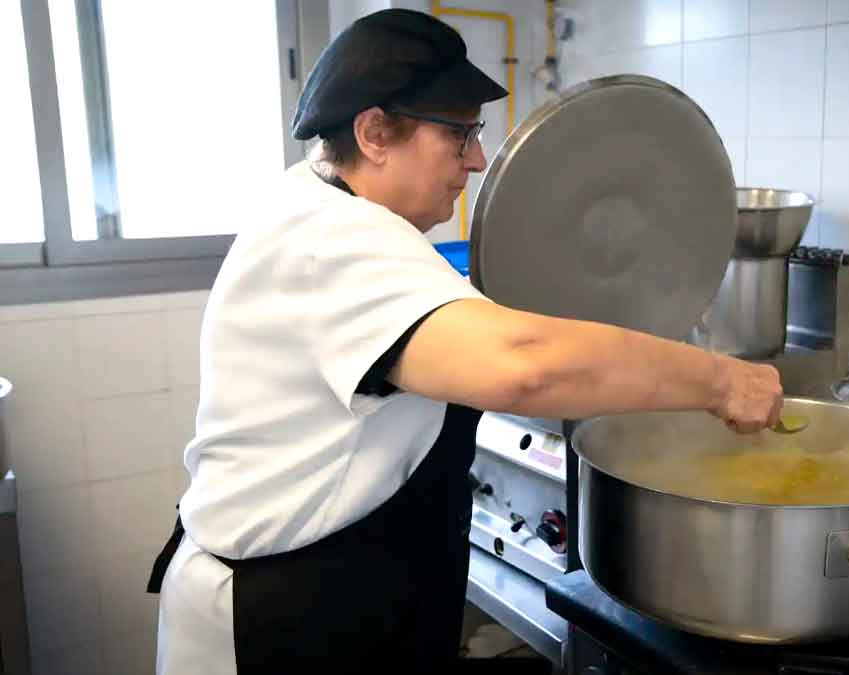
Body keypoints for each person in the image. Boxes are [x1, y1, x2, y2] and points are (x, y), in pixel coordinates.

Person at [147, 8, 782, 675]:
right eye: (459, 135)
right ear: (374, 133)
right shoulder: (330, 240)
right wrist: (719, 380)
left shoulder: (331, 211)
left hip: (335, 599)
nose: (477, 159)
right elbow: (522, 367)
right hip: (272, 624)